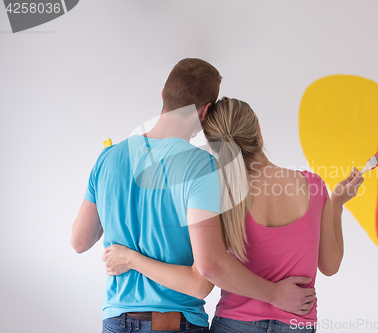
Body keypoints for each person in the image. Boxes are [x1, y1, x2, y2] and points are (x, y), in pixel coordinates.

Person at [71, 59, 315, 333]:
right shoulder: (202, 168)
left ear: (163, 94)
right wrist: (275, 295)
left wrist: (129, 253)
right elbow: (201, 282)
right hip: (174, 324)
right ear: (205, 112)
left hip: (115, 321)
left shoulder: (108, 158)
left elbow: (80, 241)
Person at [102, 97, 364, 333]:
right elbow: (330, 266)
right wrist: (337, 204)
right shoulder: (314, 186)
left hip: (233, 324)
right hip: (297, 323)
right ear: (258, 131)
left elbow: (208, 266)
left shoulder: (219, 191)